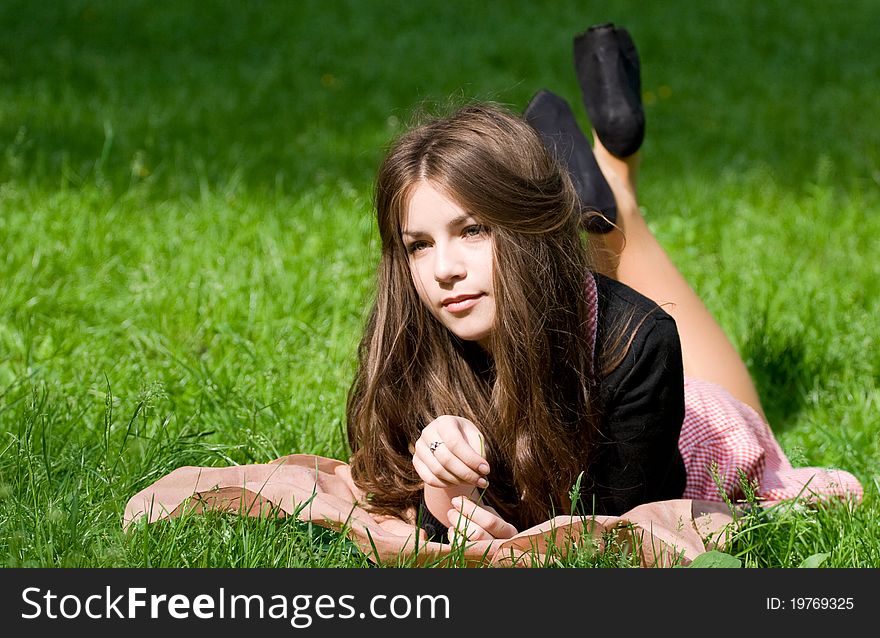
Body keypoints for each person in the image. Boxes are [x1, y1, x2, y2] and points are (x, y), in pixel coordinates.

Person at [344, 23, 863, 545]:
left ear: (530, 224)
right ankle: (611, 189)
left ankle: (612, 198)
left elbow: (622, 540)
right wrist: (445, 488)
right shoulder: (411, 340)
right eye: (419, 245)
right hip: (586, 358)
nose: (443, 270)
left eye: (473, 230)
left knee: (721, 394)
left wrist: (506, 538)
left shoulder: (639, 343)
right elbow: (430, 522)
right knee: (582, 295)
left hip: (693, 444)